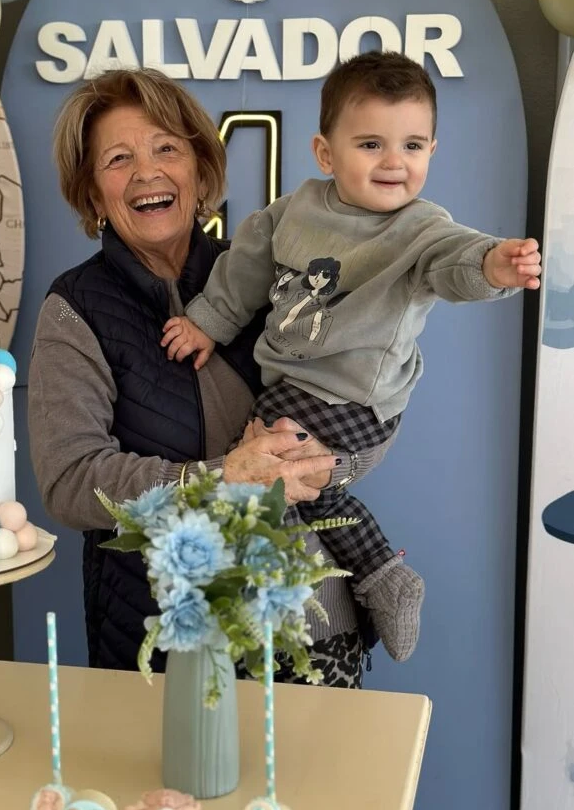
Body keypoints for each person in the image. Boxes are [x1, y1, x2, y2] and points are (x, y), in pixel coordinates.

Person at [162, 50, 541, 663]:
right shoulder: (294, 211)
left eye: (412, 146)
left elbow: (456, 259)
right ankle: (381, 580)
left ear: (432, 151)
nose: (394, 162)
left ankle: (329, 598)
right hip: (291, 385)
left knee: (264, 475)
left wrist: (494, 265)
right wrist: (207, 321)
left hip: (353, 395)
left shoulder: (421, 228)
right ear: (325, 153)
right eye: (370, 144)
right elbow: (245, 268)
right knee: (304, 487)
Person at [28, 67, 391, 688]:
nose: (146, 172)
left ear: (200, 172)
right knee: (176, 757)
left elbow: (364, 398)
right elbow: (71, 481)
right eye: (118, 159)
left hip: (309, 625)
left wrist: (328, 466)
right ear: (92, 194)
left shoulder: (272, 278)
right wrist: (220, 480)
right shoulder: (75, 309)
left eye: (166, 149)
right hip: (164, 633)